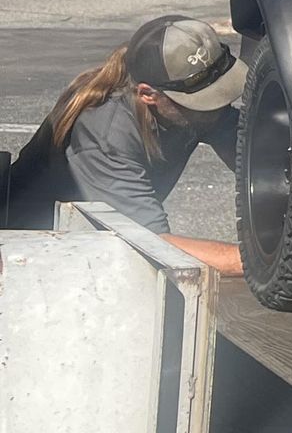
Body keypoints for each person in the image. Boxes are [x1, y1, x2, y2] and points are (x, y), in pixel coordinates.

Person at [0, 15, 247, 275]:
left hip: (94, 243)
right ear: (148, 95)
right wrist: (261, 264)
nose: (218, 107)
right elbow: (151, 244)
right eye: (203, 101)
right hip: (33, 255)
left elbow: (261, 162)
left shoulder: (185, 102)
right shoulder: (105, 132)